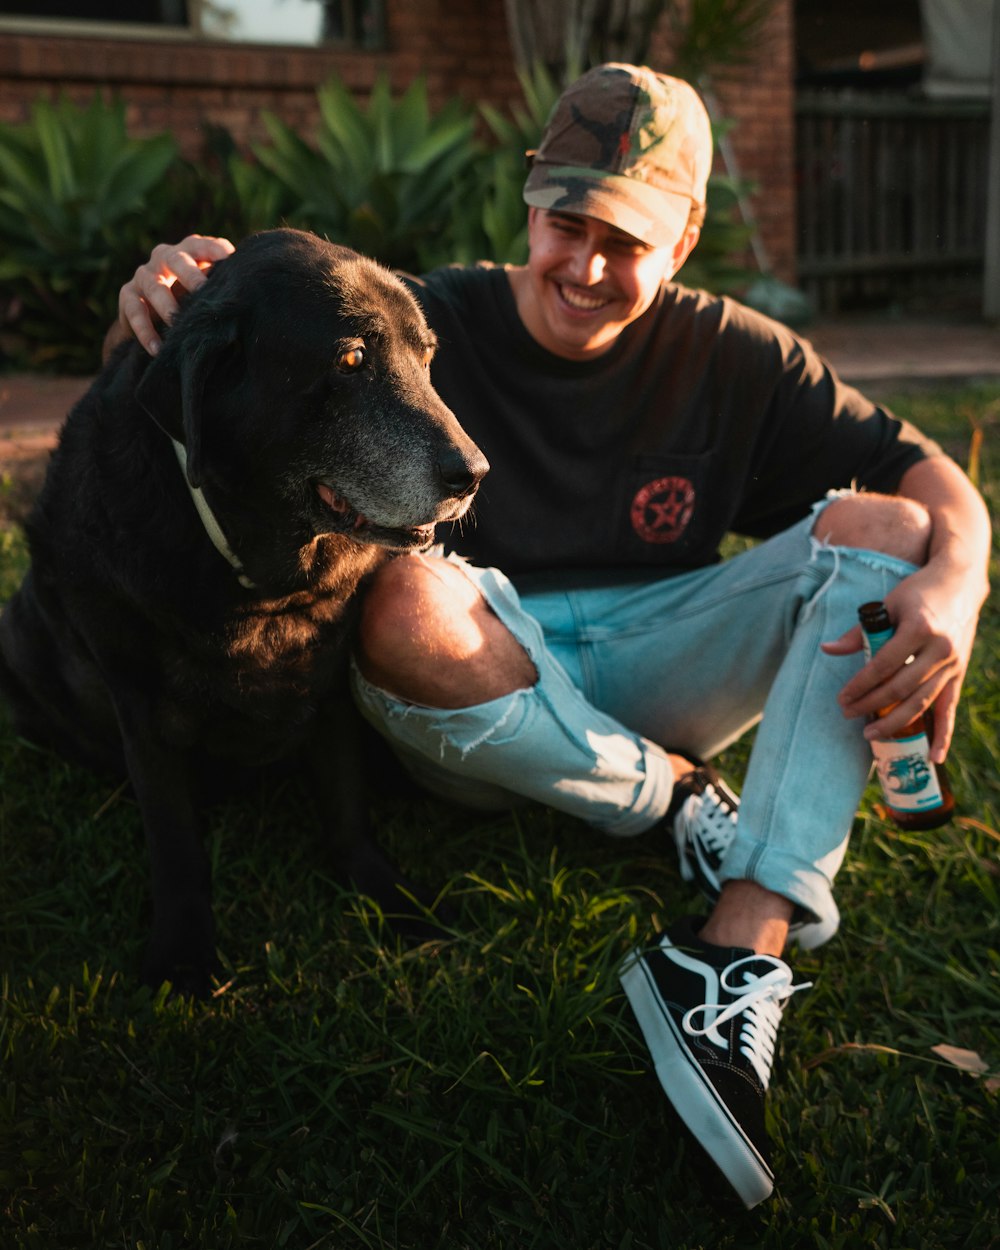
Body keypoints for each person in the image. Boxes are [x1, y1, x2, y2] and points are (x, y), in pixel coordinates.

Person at [108, 64, 990, 1209]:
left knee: (893, 529)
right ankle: (677, 803)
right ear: (528, 205)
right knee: (403, 598)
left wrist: (957, 584)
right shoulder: (414, 321)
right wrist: (167, 282)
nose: (582, 265)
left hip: (657, 658)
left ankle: (735, 943)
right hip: (471, 685)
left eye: (623, 238)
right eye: (564, 222)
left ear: (684, 237)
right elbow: (242, 358)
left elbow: (927, 480)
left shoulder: (740, 355)